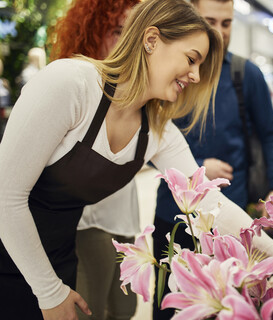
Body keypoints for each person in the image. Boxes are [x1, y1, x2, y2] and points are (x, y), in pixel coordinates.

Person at [0, 0, 273, 319]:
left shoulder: (157, 130)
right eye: (191, 59)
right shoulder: (71, 84)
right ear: (151, 40)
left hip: (58, 261)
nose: (196, 76)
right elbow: (5, 196)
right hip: (11, 256)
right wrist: (48, 291)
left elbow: (211, 204)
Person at [153, 0, 273, 317]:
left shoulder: (246, 74)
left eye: (226, 23)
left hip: (231, 218)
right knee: (172, 308)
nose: (219, 32)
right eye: (209, 21)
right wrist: (199, 169)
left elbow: (271, 134)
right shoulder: (170, 73)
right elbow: (148, 146)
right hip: (173, 218)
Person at [48, 0, 140, 319]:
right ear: (92, 32)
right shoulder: (73, 87)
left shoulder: (135, 91)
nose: (125, 43)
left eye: (133, 33)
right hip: (88, 223)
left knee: (125, 308)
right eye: (116, 31)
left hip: (126, 219)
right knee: (91, 308)